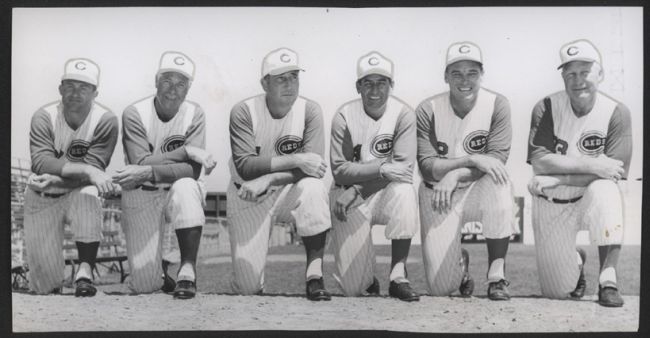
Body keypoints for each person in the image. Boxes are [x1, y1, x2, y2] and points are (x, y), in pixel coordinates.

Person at [527, 39, 632, 307]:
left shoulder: (616, 112)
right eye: (570, 73)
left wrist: (558, 175)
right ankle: (576, 260)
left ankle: (608, 279)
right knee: (556, 292)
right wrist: (593, 165)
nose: (578, 80)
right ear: (563, 77)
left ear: (600, 74)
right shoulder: (546, 106)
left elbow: (614, 172)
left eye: (585, 72)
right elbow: (540, 161)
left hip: (586, 192)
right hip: (553, 199)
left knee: (607, 188)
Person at [227, 47, 332, 301]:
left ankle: (314, 275)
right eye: (281, 78)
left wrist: (270, 177)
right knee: (247, 287)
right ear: (265, 83)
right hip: (247, 194)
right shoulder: (244, 110)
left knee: (314, 188)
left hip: (286, 190)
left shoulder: (310, 110)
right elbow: (245, 166)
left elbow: (315, 167)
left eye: (294, 76)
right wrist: (296, 158)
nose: (290, 84)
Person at [416, 41, 516, 300]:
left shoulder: (497, 104)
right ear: (445, 76)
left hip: (476, 187)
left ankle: (497, 275)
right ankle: (461, 266)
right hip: (438, 193)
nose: (465, 80)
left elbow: (496, 160)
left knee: (500, 183)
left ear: (482, 75)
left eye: (472, 72)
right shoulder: (428, 108)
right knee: (440, 288)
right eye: (456, 73)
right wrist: (470, 159)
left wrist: (456, 173)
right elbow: (427, 167)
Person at [114, 51, 215, 299]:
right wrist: (187, 150)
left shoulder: (194, 113)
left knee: (186, 185)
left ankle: (187, 271)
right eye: (167, 80)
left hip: (176, 189)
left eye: (181, 83)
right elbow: (138, 161)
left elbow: (193, 169)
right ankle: (160, 275)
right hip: (141, 193)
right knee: (143, 285)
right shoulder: (134, 112)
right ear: (156, 80)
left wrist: (149, 169)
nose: (173, 89)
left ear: (188, 88)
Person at [329, 51, 420, 302]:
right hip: (345, 196)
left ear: (392, 85)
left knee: (404, 191)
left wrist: (357, 188)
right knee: (352, 288)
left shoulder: (403, 114)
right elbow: (339, 169)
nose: (374, 90)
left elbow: (402, 169)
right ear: (358, 86)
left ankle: (398, 276)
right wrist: (381, 167)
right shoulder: (344, 115)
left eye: (382, 82)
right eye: (367, 83)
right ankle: (367, 277)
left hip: (373, 193)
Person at [24, 58, 119, 296]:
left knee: (89, 194)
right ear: (60, 89)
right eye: (70, 85)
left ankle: (85, 270)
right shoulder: (44, 116)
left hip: (75, 191)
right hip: (43, 195)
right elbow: (41, 162)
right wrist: (86, 170)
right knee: (44, 287)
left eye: (84, 87)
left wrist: (60, 177)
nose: (76, 93)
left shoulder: (105, 119)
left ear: (95, 92)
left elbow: (96, 165)